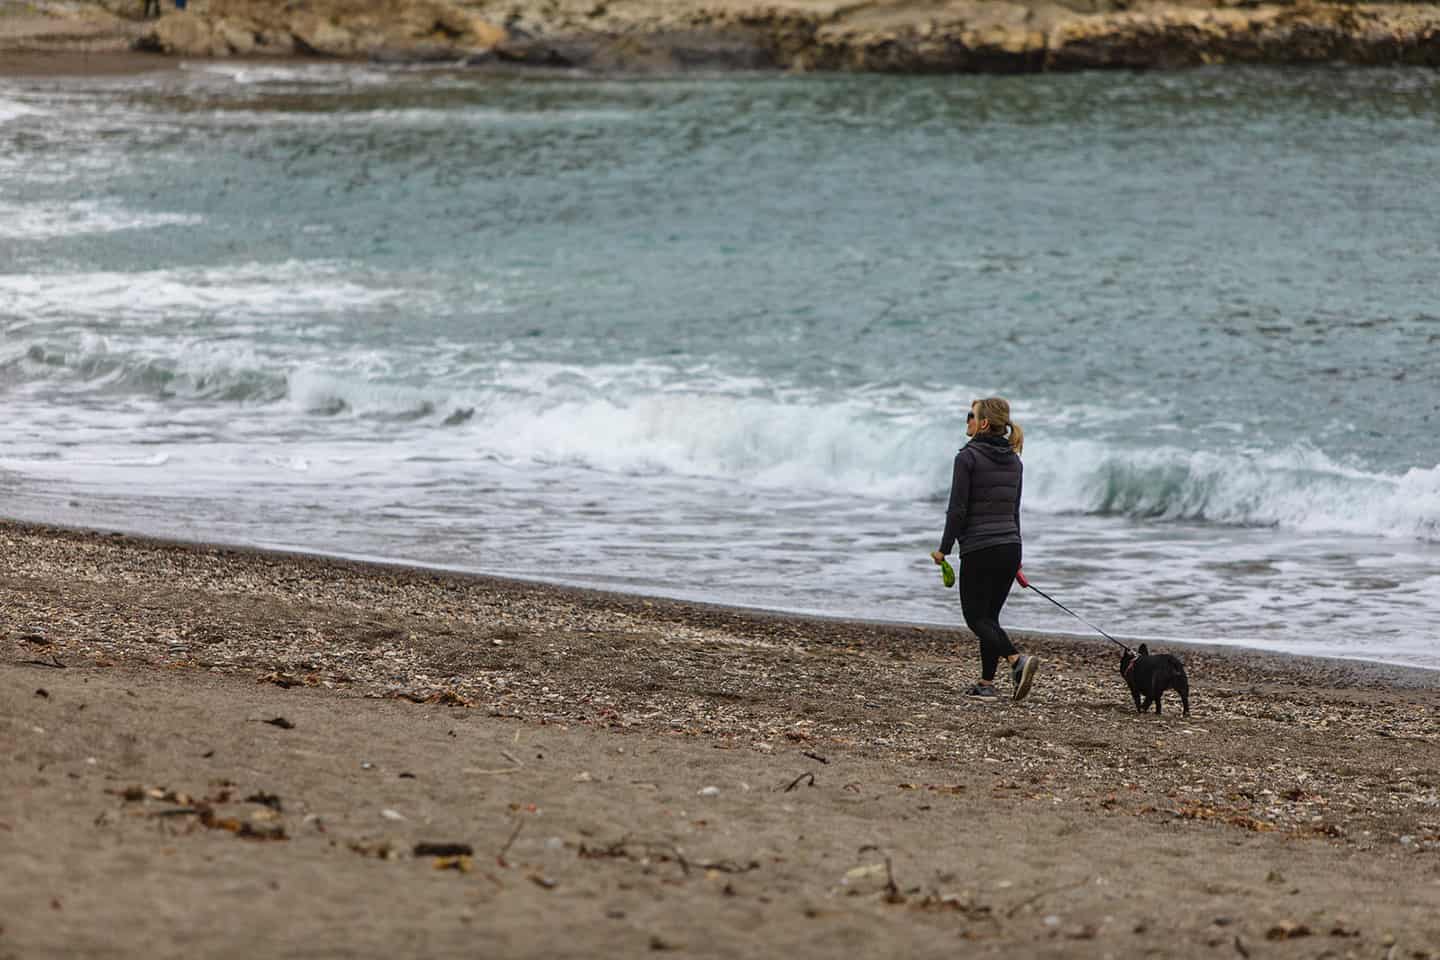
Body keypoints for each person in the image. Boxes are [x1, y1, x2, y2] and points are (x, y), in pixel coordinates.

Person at [930, 396, 1039, 702]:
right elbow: (1014, 512)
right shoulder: (1015, 461)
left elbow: (957, 510)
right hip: (1009, 546)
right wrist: (1016, 560)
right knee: (990, 617)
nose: (967, 420)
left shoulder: (967, 457)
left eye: (971, 415)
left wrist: (944, 549)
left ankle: (1016, 661)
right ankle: (986, 684)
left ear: (983, 424)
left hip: (980, 548)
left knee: (975, 618)